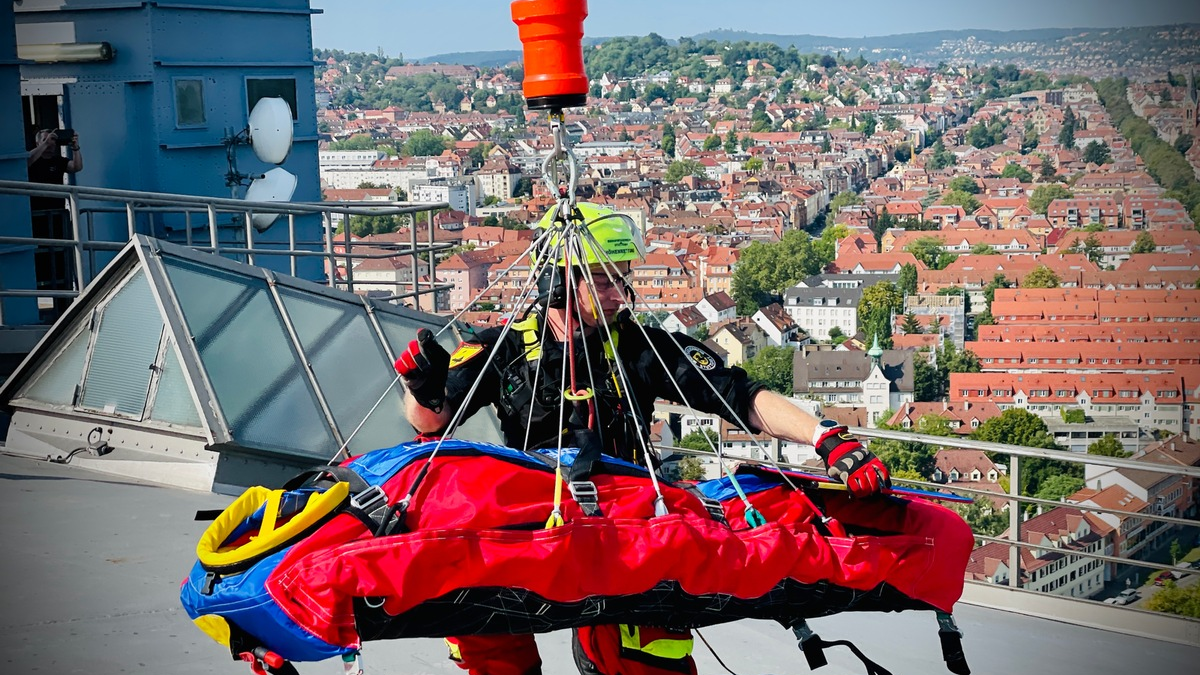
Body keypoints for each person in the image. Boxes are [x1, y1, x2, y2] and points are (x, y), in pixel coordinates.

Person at [394, 203, 891, 675]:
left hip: (625, 528)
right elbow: (433, 424)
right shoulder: (502, 349)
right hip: (540, 525)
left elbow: (739, 394)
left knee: (643, 653)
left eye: (623, 278)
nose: (620, 293)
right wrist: (420, 386)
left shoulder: (640, 348)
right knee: (479, 625)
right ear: (559, 283)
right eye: (605, 281)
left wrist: (826, 437)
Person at [27, 129, 83, 317]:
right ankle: (36, 306)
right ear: (38, 142)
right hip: (36, 217)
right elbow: (26, 162)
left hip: (57, 216)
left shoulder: (58, 161)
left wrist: (75, 147)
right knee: (39, 260)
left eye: (53, 140)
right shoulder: (32, 158)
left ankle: (63, 306)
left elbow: (76, 167)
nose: (51, 144)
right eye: (46, 140)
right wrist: (44, 144)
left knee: (61, 258)